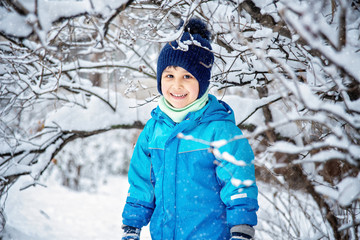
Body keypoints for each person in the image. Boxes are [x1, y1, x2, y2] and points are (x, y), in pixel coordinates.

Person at [121, 18, 258, 240]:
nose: (177, 85)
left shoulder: (219, 130)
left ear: (202, 82)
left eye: (187, 76)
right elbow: (141, 183)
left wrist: (241, 229)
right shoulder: (153, 130)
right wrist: (131, 226)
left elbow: (238, 184)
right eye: (169, 76)